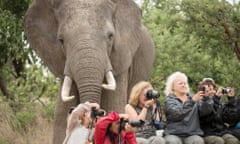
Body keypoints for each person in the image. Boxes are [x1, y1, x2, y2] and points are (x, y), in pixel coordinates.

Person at [163, 71, 213, 144]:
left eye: (185, 83)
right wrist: (192, 102)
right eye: (180, 83)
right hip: (173, 134)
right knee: (172, 142)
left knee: (198, 141)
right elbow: (177, 114)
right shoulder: (169, 100)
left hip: (192, 134)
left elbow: (205, 112)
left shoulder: (193, 97)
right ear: (172, 87)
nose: (184, 85)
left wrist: (206, 99)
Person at [198, 78, 240, 144]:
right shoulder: (200, 103)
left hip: (221, 131)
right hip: (207, 133)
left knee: (233, 141)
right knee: (219, 141)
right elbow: (208, 118)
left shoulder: (220, 104)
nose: (212, 91)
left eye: (213, 89)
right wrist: (216, 99)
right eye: (208, 90)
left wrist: (231, 100)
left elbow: (229, 119)